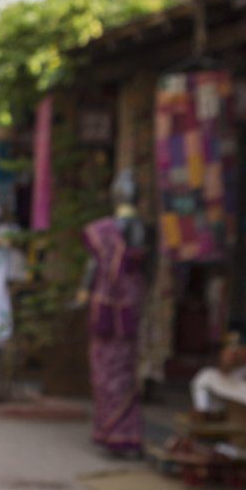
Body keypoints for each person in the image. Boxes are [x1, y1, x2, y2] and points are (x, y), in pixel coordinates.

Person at [77, 168, 148, 456]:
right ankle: (122, 432)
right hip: (128, 305)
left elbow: (94, 266)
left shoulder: (104, 229)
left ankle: (111, 430)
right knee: (121, 371)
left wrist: (83, 293)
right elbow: (142, 266)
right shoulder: (140, 227)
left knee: (107, 372)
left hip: (106, 307)